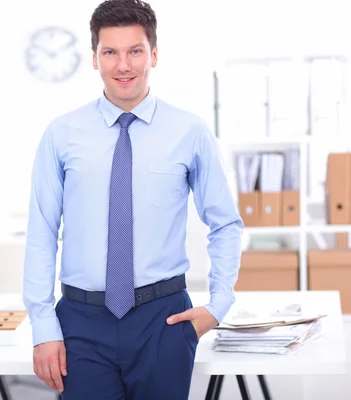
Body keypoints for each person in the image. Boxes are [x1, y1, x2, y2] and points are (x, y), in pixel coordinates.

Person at [22, 0, 243, 398]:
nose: (123, 65)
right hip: (81, 323)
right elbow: (42, 231)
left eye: (135, 51)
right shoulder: (61, 134)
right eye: (110, 52)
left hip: (164, 319)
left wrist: (218, 304)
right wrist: (43, 325)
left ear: (154, 54)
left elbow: (225, 223)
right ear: (95, 58)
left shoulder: (189, 132)